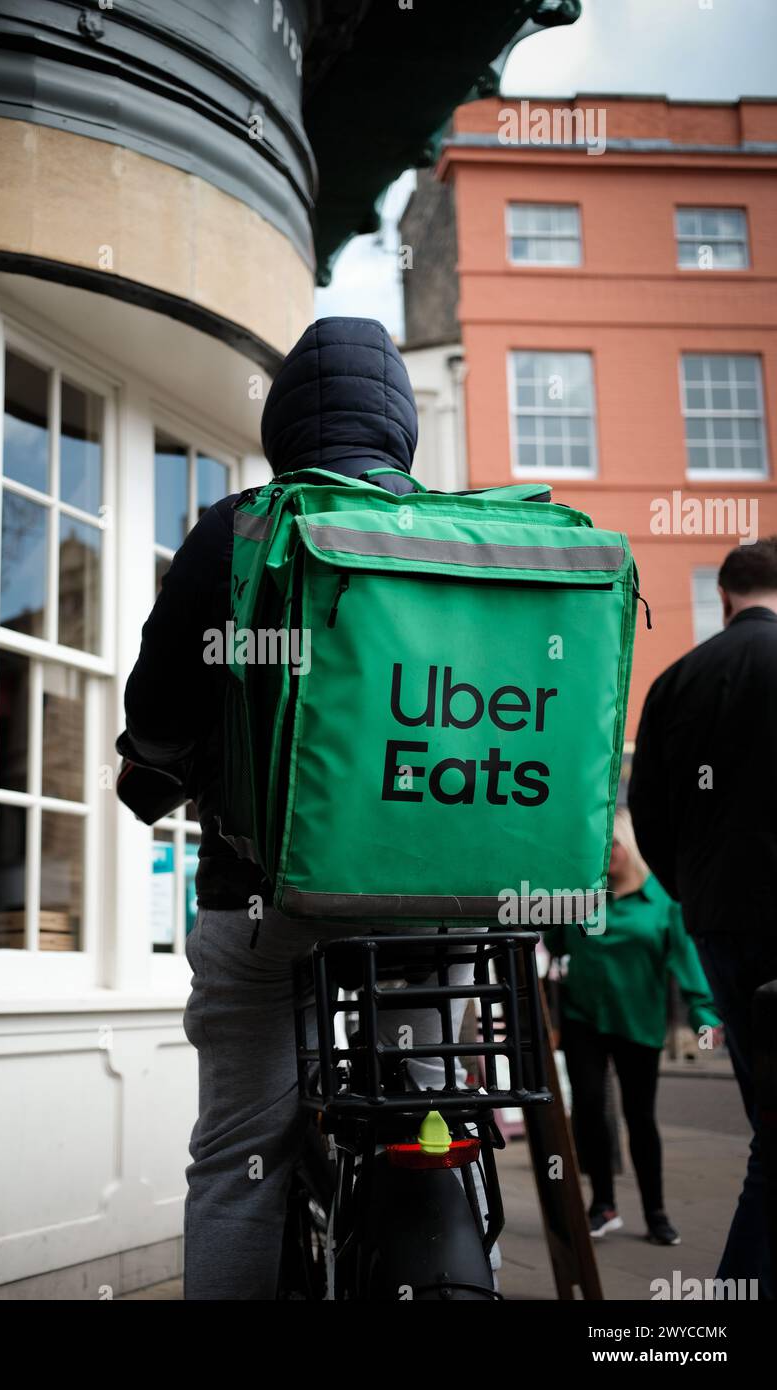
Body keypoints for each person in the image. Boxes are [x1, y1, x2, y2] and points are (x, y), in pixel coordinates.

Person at [119, 318, 485, 1300]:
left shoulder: (238, 529)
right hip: (433, 905)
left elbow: (157, 715)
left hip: (263, 903)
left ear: (282, 422)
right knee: (426, 1110)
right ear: (400, 426)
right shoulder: (463, 540)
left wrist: (152, 774)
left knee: (241, 1157)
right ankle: (429, 1167)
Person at [629, 537, 777, 1299]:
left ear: (723, 597)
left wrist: (690, 890)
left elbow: (646, 810)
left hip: (719, 920)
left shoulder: (674, 681)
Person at [544, 808, 721, 1245]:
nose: (606, 855)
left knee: (640, 1118)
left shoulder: (663, 902)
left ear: (631, 846)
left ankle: (655, 1212)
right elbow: (555, 941)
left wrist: (705, 1017)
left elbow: (686, 964)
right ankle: (602, 1204)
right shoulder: (582, 897)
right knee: (586, 1107)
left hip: (637, 1022)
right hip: (583, 1018)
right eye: (601, 848)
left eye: (613, 845)